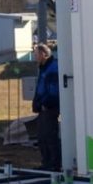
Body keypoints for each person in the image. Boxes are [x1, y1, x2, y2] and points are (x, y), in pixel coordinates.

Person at [32, 43, 61, 171]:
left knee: (50, 136)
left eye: (36, 54)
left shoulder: (52, 68)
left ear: (44, 54)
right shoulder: (43, 68)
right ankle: (46, 162)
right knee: (41, 136)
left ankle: (54, 164)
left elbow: (53, 90)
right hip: (43, 107)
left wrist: (45, 103)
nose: (35, 57)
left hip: (49, 108)